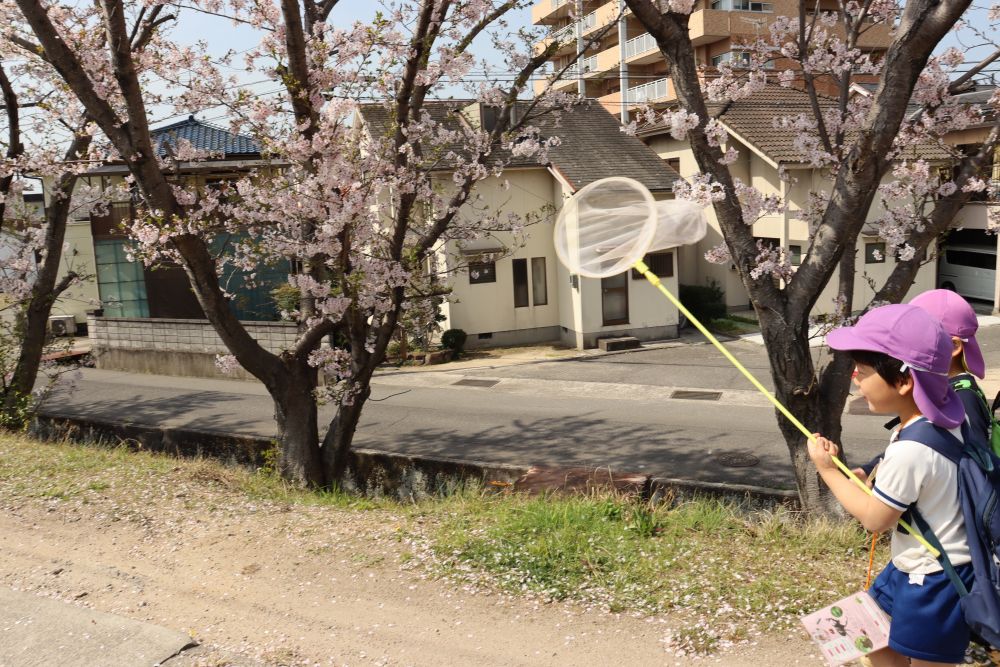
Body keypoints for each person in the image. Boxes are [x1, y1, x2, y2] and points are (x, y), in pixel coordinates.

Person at [809, 303, 973, 667]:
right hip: (911, 567)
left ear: (903, 380)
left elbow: (874, 519)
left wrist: (827, 470)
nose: (854, 377)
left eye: (863, 370)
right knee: (863, 633)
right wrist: (870, 473)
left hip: (936, 581)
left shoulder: (911, 450)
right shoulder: (938, 418)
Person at [855, 289, 990, 481]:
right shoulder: (941, 390)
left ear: (953, 346)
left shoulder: (963, 397)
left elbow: (973, 469)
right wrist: (871, 469)